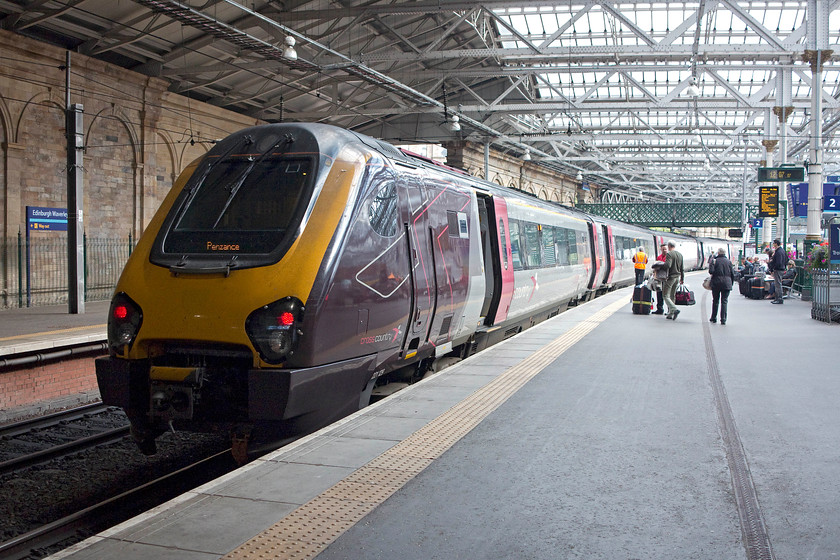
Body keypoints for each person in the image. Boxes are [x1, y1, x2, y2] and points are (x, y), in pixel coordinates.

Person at [708, 247, 735, 325]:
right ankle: (723, 319)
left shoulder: (714, 261)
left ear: (718, 253)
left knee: (715, 301)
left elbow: (711, 271)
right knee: (724, 301)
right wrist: (731, 284)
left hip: (716, 283)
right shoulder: (729, 262)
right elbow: (732, 274)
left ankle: (713, 317)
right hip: (727, 283)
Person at [662, 240, 684, 320]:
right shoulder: (680, 255)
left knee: (665, 295)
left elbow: (668, 265)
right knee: (672, 295)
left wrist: (661, 266)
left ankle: (674, 309)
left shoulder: (669, 254)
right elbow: (682, 269)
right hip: (677, 278)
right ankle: (670, 314)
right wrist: (682, 279)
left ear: (669, 246)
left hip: (671, 277)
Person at [769, 238, 789, 304]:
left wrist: (774, 268)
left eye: (774, 243)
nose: (773, 245)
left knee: (778, 284)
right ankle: (778, 298)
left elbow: (778, 262)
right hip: (781, 269)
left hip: (778, 269)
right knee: (778, 283)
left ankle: (779, 298)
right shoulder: (782, 251)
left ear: (776, 244)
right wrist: (784, 266)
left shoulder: (778, 252)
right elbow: (787, 259)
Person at [651, 243, 668, 314]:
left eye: (665, 249)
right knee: (659, 293)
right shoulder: (659, 257)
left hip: (667, 278)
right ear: (661, 249)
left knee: (667, 294)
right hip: (659, 278)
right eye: (663, 249)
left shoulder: (669, 257)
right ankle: (660, 308)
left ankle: (669, 309)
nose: (664, 250)